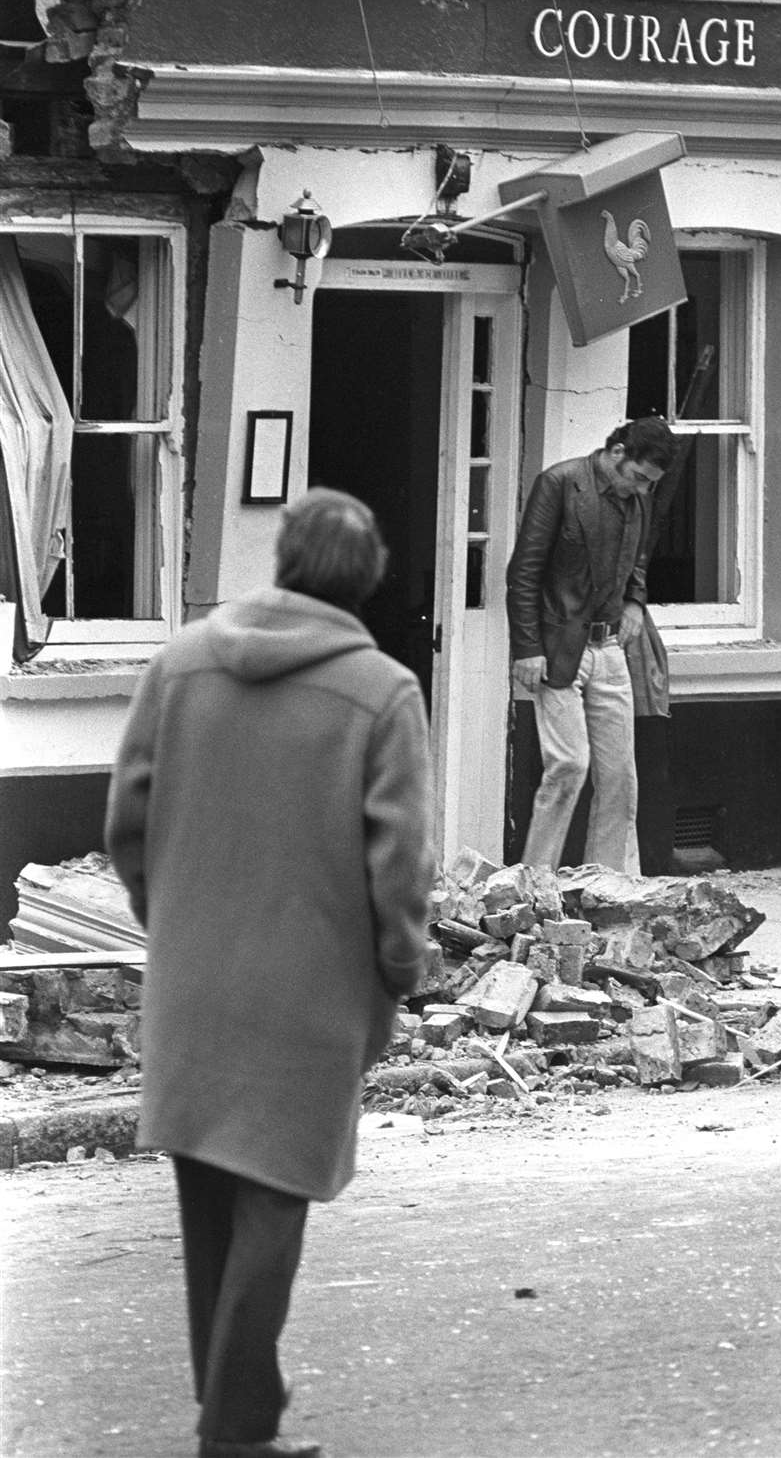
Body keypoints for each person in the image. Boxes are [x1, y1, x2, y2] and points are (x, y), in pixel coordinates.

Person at [105, 488, 435, 1458]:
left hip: (192, 984)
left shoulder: (181, 665)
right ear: (367, 580)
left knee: (208, 1205)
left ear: (283, 559)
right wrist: (401, 970)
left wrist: (171, 919)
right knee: (272, 1213)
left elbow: (127, 820)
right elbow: (400, 863)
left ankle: (235, 1413)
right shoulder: (381, 694)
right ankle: (237, 1432)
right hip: (311, 996)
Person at [506, 415, 677, 874]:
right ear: (617, 453)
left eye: (651, 484)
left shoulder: (637, 497)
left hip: (610, 650)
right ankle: (533, 888)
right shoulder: (560, 483)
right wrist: (526, 647)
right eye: (640, 478)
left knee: (620, 779)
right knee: (568, 768)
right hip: (559, 647)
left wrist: (636, 602)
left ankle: (609, 889)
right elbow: (524, 571)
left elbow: (637, 556)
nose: (642, 490)